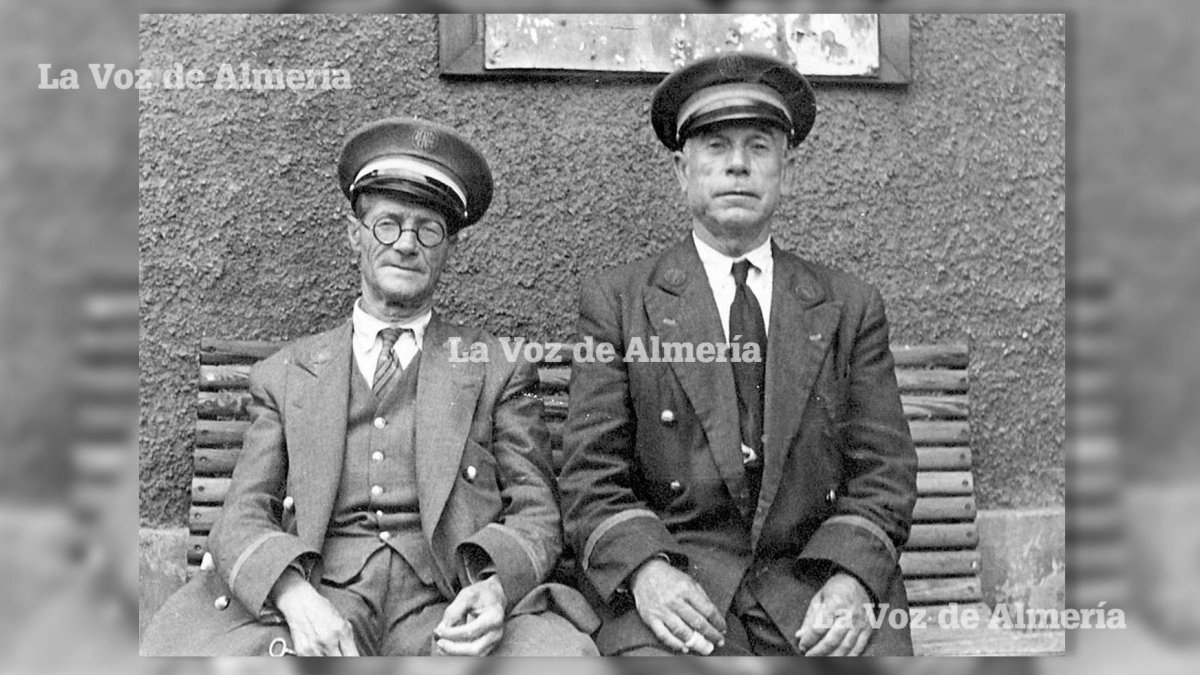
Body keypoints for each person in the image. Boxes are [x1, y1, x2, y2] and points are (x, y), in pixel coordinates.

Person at [142, 117, 598, 656]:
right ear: (353, 236)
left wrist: (496, 591)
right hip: (321, 593)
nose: (407, 244)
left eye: (428, 229)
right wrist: (292, 596)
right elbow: (243, 511)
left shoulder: (493, 367)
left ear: (447, 248)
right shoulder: (287, 374)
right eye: (388, 224)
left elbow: (537, 510)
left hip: (449, 600)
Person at [558, 53, 918, 656]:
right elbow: (592, 476)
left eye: (758, 146)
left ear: (788, 168)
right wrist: (647, 573)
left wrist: (854, 577)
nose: (736, 165)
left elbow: (883, 467)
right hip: (680, 585)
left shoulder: (849, 306)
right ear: (682, 170)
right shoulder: (619, 303)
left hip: (813, 581)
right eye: (716, 146)